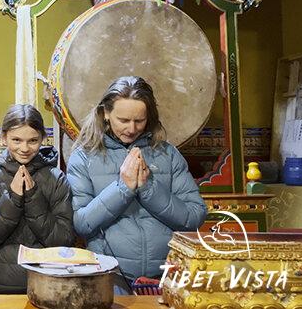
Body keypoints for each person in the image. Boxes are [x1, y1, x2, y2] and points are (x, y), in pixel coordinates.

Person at [67, 76, 207, 293]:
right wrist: (123, 188)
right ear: (105, 113)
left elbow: (194, 217)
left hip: (167, 275)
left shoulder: (167, 154)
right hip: (110, 277)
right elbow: (82, 223)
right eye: (123, 120)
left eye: (139, 121)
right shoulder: (83, 157)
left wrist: (148, 188)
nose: (132, 129)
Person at [0, 104, 75, 293]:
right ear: (4, 138)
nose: (24, 148)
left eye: (33, 140)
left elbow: (63, 240)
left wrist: (34, 198)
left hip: (48, 284)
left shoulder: (56, 179)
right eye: (16, 140)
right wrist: (13, 199)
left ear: (43, 138)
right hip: (0, 285)